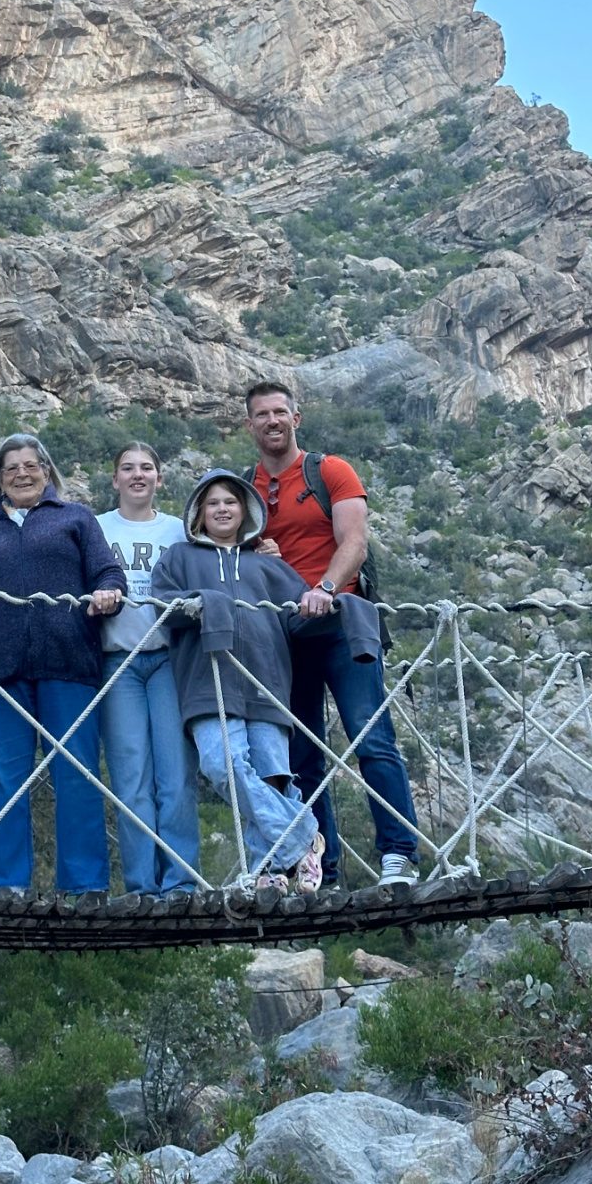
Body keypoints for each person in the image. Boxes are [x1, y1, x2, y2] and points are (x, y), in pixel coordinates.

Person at [242, 379, 420, 887]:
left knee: (370, 735)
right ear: (249, 424)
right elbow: (224, 555)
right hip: (281, 636)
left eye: (281, 412)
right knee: (301, 754)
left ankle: (398, 853)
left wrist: (324, 587)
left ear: (296, 419)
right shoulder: (241, 488)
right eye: (262, 414)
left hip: (341, 622)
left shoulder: (331, 471)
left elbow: (355, 541)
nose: (272, 421)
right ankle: (325, 868)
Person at [0, 433, 127, 895]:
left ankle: (85, 887)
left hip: (68, 662)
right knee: (2, 780)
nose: (21, 473)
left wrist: (109, 595)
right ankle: (5, 886)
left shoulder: (76, 518)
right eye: (11, 467)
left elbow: (108, 572)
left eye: (31, 464)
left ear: (48, 471)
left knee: (76, 775)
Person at [151, 469, 328, 893]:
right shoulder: (179, 557)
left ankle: (268, 874)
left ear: (245, 511)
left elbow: (300, 616)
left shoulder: (267, 565)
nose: (222, 509)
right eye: (212, 503)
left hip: (267, 682)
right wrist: (198, 602)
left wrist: (330, 604)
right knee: (221, 764)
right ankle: (304, 838)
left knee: (272, 776)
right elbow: (162, 605)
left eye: (230, 501)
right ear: (198, 514)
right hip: (206, 682)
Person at [96, 441, 199, 894]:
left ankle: (180, 881)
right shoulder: (94, 528)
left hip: (168, 660)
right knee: (130, 776)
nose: (138, 475)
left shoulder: (179, 531)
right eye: (128, 468)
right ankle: (141, 886)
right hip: (117, 662)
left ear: (160, 478)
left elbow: (222, 558)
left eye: (147, 468)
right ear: (114, 479)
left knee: (175, 775)